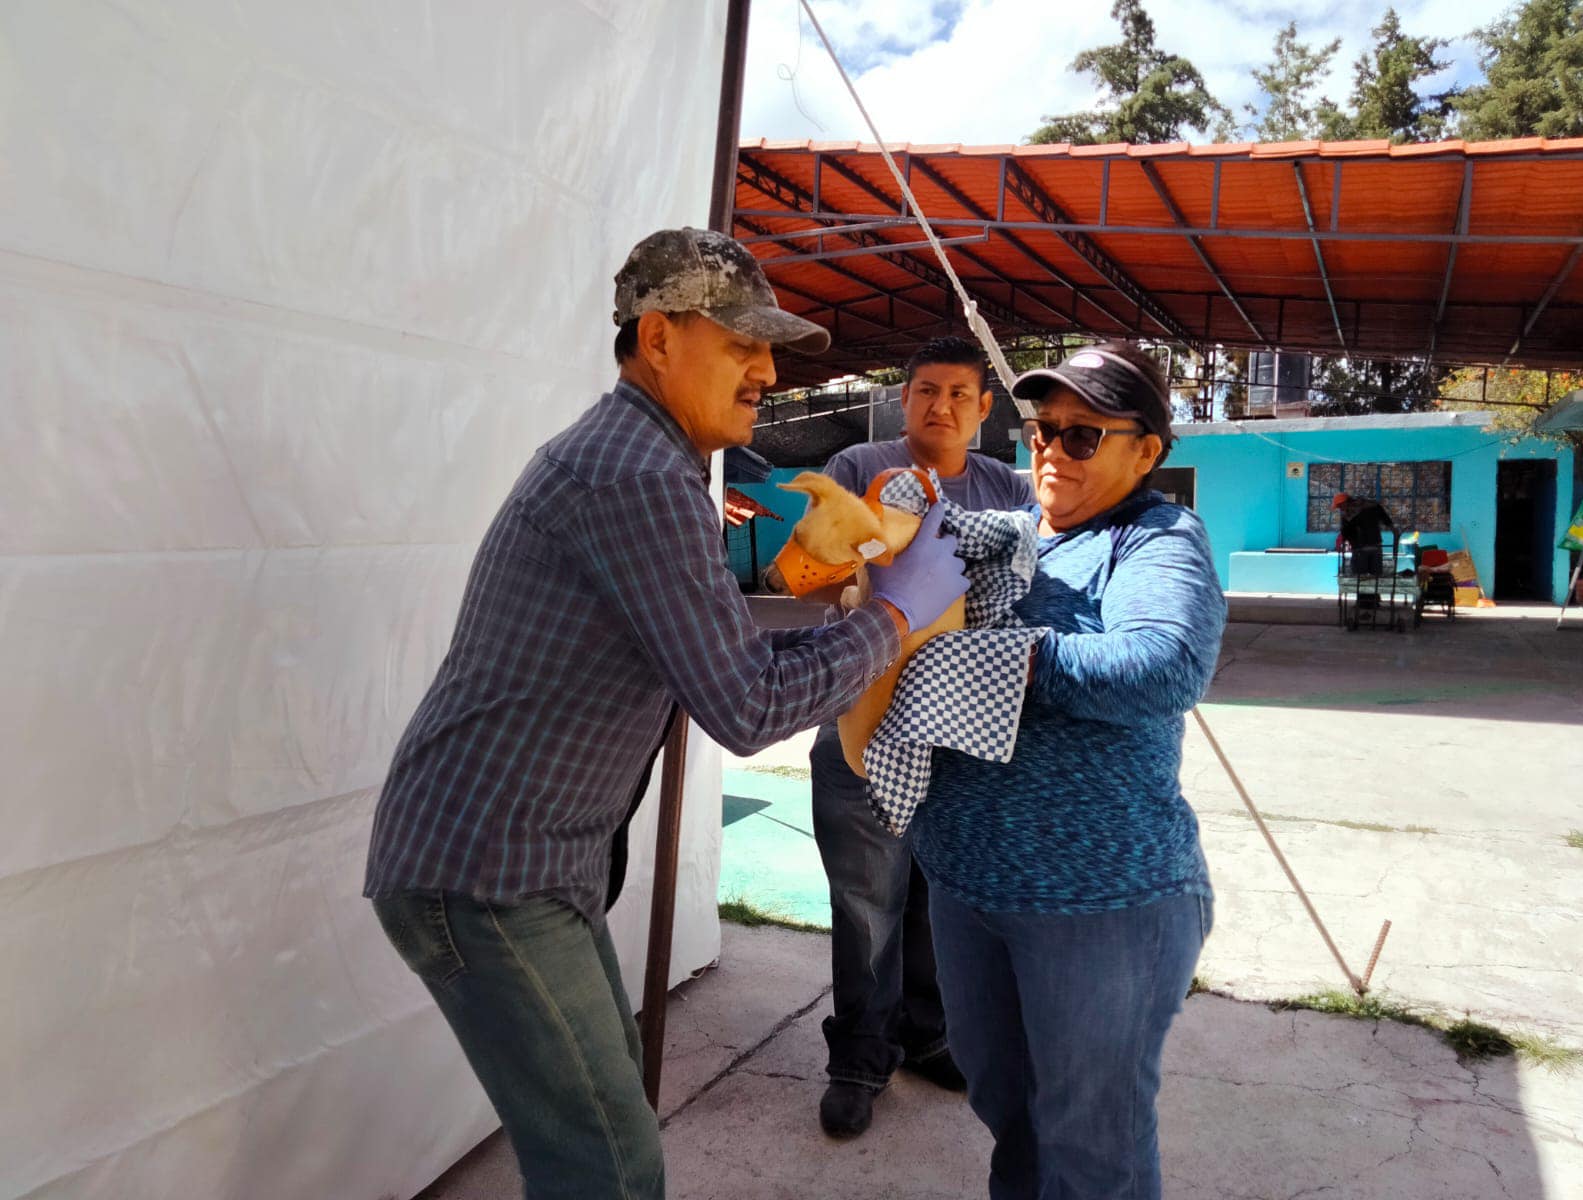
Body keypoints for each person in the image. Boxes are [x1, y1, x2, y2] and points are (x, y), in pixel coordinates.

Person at [363, 227, 970, 1200]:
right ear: (657, 340)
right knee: (607, 1164)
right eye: (740, 344)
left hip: (523, 860)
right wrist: (897, 612)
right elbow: (746, 703)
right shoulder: (636, 475)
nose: (767, 370)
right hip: (486, 870)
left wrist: (848, 613)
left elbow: (721, 657)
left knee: (600, 1147)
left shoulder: (651, 464)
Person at [912, 342, 1226, 1199]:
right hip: (968, 887)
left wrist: (995, 656)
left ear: (1146, 451)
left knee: (1092, 1151)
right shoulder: (1001, 538)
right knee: (1011, 1117)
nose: (1051, 449)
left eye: (1082, 436)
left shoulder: (1157, 538)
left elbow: (1163, 666)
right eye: (1041, 429)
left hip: (1101, 903)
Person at [793, 336, 1034, 1139]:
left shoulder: (1007, 487)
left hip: (956, 729)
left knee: (937, 892)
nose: (943, 407)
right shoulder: (862, 464)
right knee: (868, 900)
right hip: (864, 713)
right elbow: (813, 566)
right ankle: (860, 1057)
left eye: (960, 395)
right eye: (928, 391)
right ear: (905, 398)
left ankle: (928, 1033)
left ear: (983, 407)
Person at [1332, 491, 1396, 575]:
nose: (1340, 509)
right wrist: (1393, 529)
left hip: (1360, 549)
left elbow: (1345, 532)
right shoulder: (1372, 505)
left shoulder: (1347, 514)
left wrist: (1344, 542)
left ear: (1344, 503)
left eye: (1340, 506)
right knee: (1376, 577)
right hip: (1376, 545)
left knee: (1360, 578)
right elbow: (1385, 518)